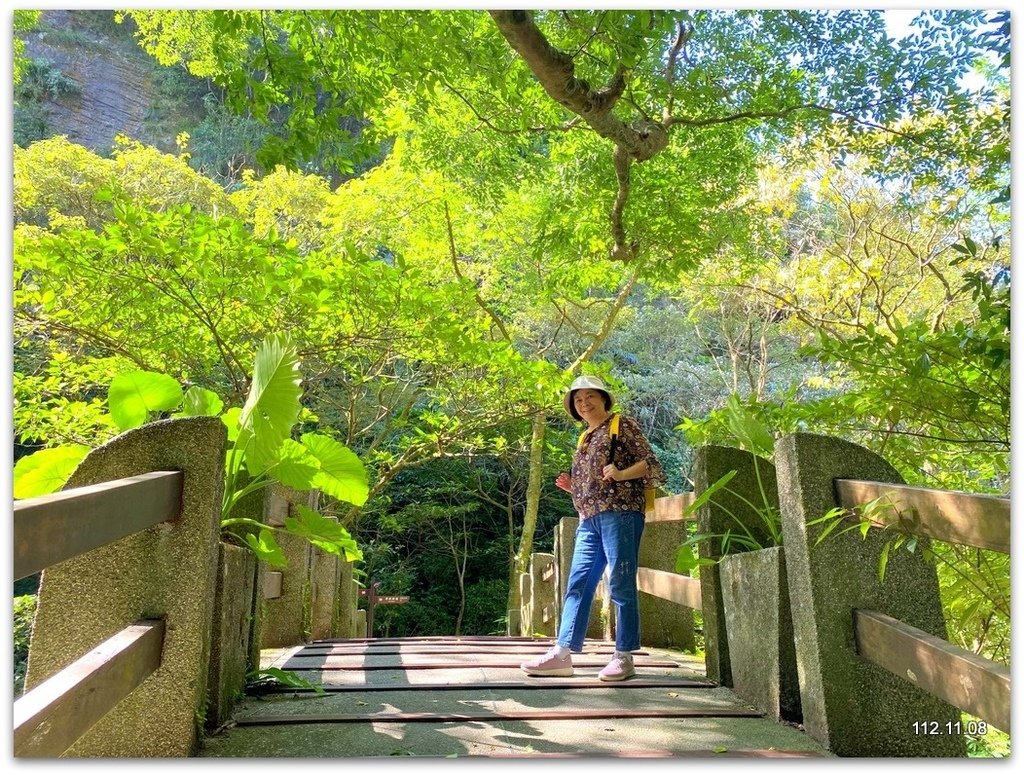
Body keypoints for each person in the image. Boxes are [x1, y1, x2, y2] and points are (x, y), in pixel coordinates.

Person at [520, 375, 665, 682]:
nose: (584, 403)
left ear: (603, 398)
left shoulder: (620, 424)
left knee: (620, 584)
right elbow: (596, 482)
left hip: (621, 514)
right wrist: (575, 487)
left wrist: (622, 472)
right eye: (577, 399)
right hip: (589, 519)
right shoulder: (584, 436)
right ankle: (561, 654)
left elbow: (652, 464)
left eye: (589, 397)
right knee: (578, 583)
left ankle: (623, 656)